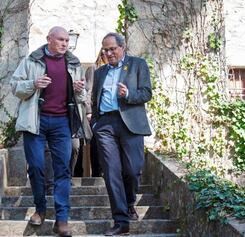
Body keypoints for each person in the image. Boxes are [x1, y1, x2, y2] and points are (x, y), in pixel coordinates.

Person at [10, 26, 85, 237]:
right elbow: (15, 86)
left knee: (63, 170)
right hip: (36, 120)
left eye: (66, 41)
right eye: (60, 39)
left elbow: (81, 96)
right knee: (36, 166)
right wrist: (33, 84)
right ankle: (40, 210)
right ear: (49, 39)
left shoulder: (73, 63)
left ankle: (61, 219)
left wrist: (80, 90)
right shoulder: (32, 60)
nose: (64, 43)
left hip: (62, 122)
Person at [91, 32, 152, 236]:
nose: (108, 53)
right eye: (105, 50)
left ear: (122, 47)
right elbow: (95, 97)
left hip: (130, 123)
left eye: (112, 49)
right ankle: (120, 220)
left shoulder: (137, 65)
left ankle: (129, 203)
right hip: (105, 125)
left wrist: (129, 94)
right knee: (111, 172)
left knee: (132, 170)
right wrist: (95, 121)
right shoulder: (99, 72)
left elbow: (146, 93)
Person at [85, 50, 108, 177]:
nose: (108, 55)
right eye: (105, 52)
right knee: (95, 143)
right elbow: (89, 90)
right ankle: (97, 174)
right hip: (96, 114)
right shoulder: (93, 69)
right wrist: (88, 111)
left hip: (109, 114)